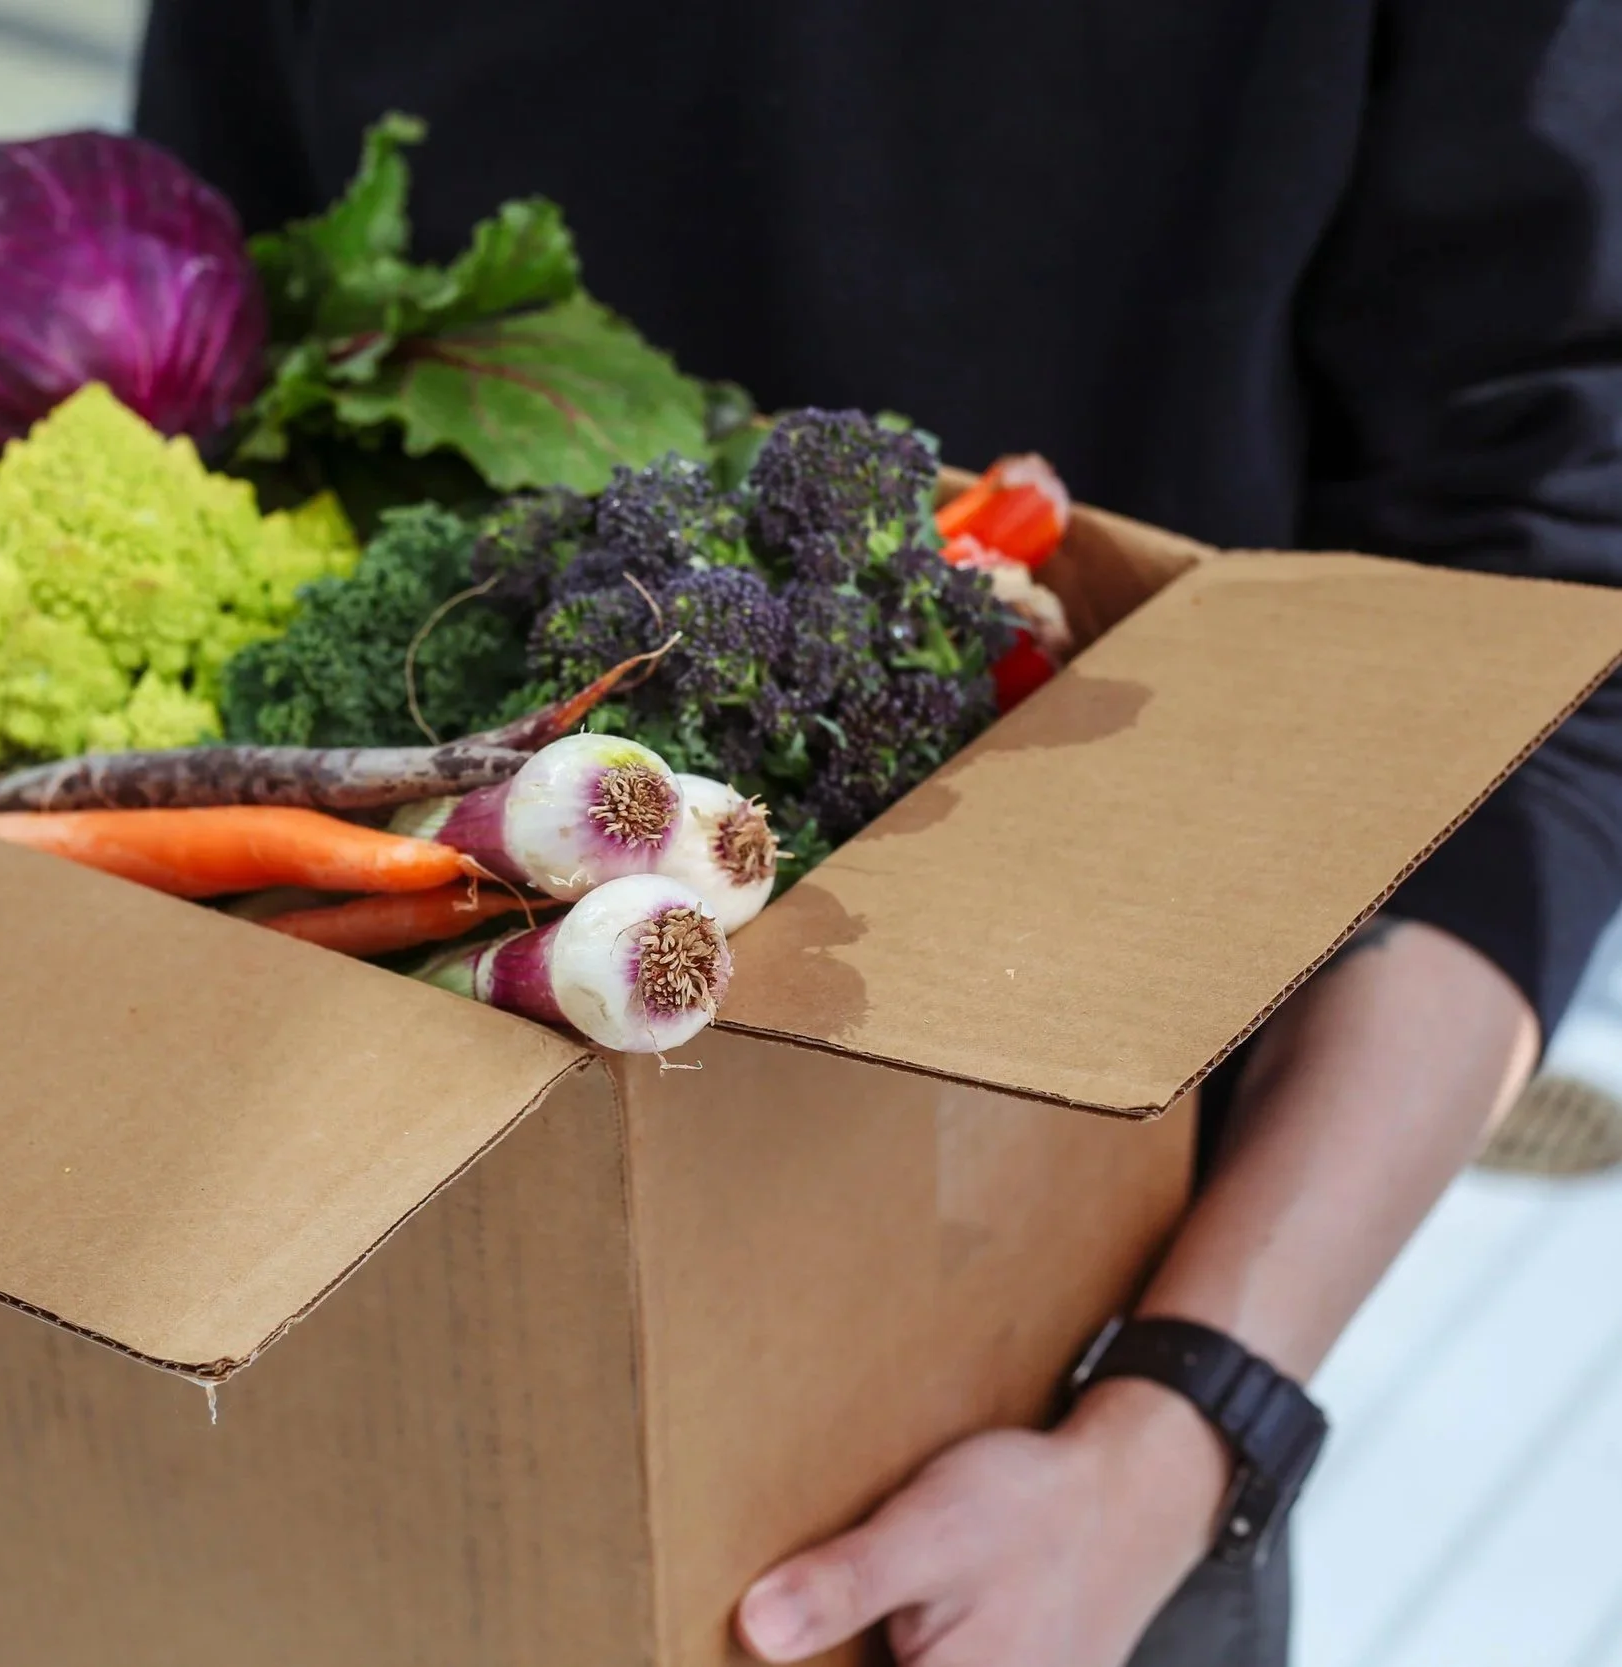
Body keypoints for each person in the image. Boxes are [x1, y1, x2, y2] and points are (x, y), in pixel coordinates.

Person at [132, 3, 1622, 1661]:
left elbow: (1550, 666)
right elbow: (214, 285)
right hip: (323, 1384)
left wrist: (1184, 1422)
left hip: (1040, 1469)